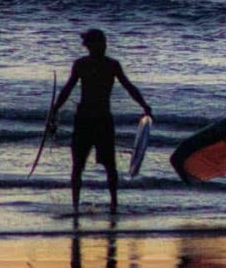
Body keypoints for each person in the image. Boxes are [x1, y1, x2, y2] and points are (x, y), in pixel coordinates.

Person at [51, 29, 152, 214]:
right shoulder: (80, 65)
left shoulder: (112, 65)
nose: (104, 46)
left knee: (110, 166)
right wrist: (54, 110)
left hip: (103, 120)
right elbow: (67, 89)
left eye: (105, 42)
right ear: (90, 45)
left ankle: (114, 204)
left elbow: (129, 87)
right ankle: (75, 205)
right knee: (77, 165)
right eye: (100, 43)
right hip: (83, 120)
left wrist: (144, 105)